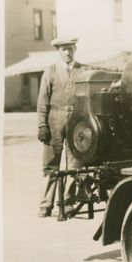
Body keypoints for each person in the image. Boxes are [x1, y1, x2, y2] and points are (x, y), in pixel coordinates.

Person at [37, 37, 89, 219]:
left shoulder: (84, 70)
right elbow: (42, 101)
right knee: (51, 164)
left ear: (75, 49)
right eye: (63, 50)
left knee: (75, 163)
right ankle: (46, 204)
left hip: (77, 119)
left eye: (70, 49)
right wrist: (42, 125)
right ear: (58, 51)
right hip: (54, 119)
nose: (67, 53)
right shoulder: (50, 71)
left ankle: (67, 202)